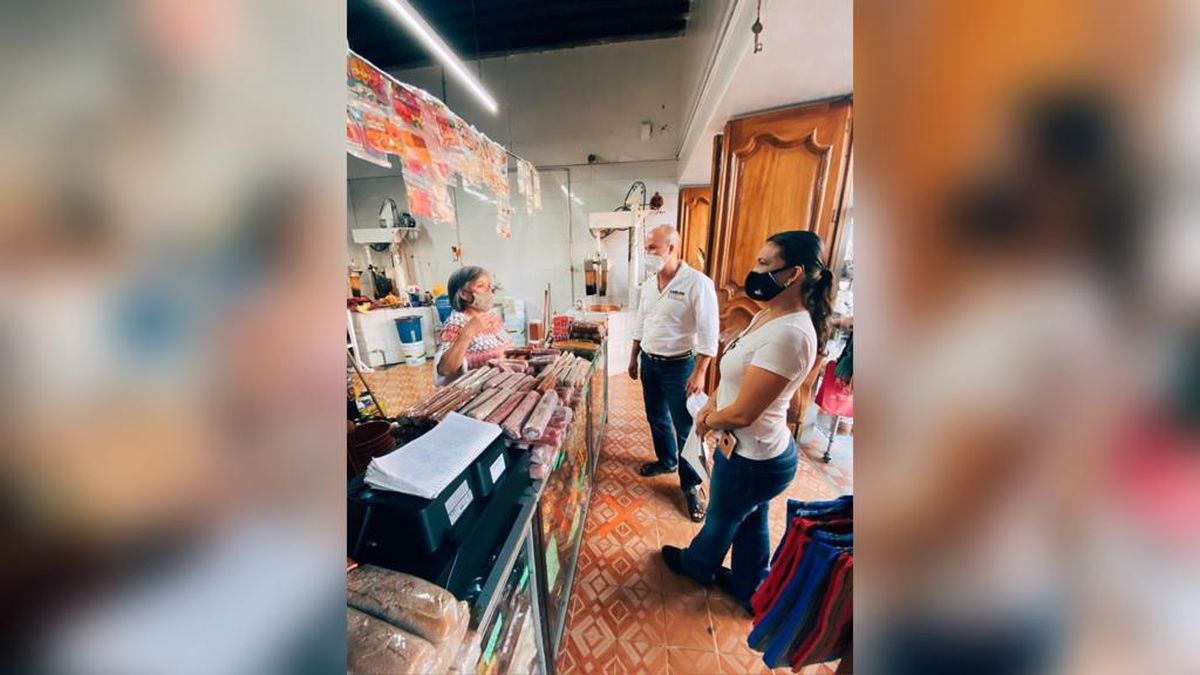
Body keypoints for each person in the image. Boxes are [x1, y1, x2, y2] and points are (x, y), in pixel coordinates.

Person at [661, 230, 834, 612]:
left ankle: (697, 565)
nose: (754, 271)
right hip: (761, 452)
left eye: (764, 264)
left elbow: (743, 413)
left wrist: (708, 420)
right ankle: (750, 585)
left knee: (721, 521)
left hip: (752, 457)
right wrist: (711, 403)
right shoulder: (770, 314)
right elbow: (738, 381)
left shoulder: (791, 334)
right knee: (752, 517)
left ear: (794, 274)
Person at [629, 225, 720, 522]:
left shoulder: (697, 283)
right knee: (656, 417)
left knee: (688, 429)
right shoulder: (648, 285)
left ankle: (691, 485)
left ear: (671, 248)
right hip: (649, 363)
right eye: (646, 247)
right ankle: (667, 460)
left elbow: (709, 332)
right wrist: (633, 357)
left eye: (652, 248)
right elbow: (641, 323)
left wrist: (700, 372)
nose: (647, 253)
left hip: (680, 368)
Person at [434, 266, 512, 386]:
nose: (489, 290)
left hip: (504, 383)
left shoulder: (492, 316)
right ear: (464, 294)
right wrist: (468, 332)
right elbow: (445, 369)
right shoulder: (456, 322)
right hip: (480, 390)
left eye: (489, 285)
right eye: (480, 286)